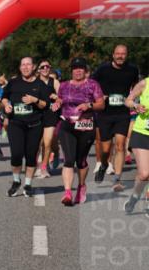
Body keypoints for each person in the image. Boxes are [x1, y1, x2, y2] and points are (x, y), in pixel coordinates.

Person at [53, 58, 104, 206]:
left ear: (85, 70)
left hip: (85, 125)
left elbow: (101, 105)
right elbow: (60, 100)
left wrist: (88, 105)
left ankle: (81, 186)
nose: (78, 70)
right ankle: (67, 193)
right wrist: (57, 104)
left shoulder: (93, 85)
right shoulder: (63, 86)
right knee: (69, 159)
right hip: (67, 125)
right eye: (75, 68)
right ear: (71, 70)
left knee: (80, 161)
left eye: (81, 68)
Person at [1, 56, 55, 197]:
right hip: (16, 124)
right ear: (20, 67)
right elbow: (4, 98)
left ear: (33, 67)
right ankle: (16, 180)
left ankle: (28, 184)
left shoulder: (41, 84)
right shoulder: (13, 83)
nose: (25, 67)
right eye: (23, 65)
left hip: (35, 125)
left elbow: (46, 104)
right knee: (17, 154)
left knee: (31, 156)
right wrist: (6, 105)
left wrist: (34, 100)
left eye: (28, 64)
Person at [92, 45, 141, 188]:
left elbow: (136, 87)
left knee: (120, 146)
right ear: (113, 55)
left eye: (123, 54)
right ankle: (104, 164)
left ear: (127, 55)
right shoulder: (103, 69)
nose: (120, 56)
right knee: (106, 149)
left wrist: (134, 101)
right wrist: (99, 96)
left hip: (122, 113)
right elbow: (92, 85)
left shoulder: (132, 70)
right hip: (105, 114)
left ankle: (117, 180)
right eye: (118, 54)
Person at [123, 77, 149, 216]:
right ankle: (134, 196)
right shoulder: (145, 83)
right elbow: (128, 100)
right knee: (144, 173)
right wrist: (136, 105)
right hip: (142, 132)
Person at [35, 59, 60, 179]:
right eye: (42, 67)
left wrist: (57, 98)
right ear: (38, 69)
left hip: (50, 114)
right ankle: (35, 165)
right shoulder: (34, 81)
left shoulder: (54, 82)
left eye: (47, 67)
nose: (45, 69)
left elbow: (62, 98)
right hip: (37, 115)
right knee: (37, 143)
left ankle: (44, 167)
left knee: (47, 141)